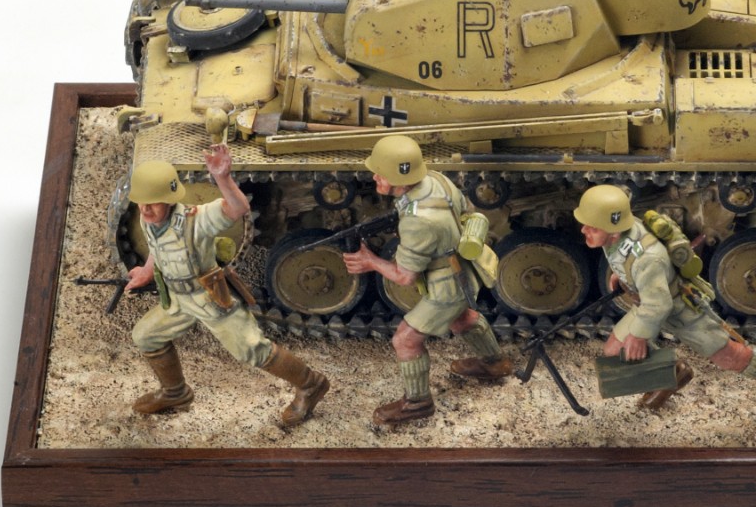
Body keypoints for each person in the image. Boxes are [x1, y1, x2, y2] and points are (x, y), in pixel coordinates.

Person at [124, 145, 329, 427]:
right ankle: (175, 393)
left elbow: (238, 208)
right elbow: (156, 247)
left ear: (170, 200)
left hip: (209, 298)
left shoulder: (196, 219)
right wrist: (147, 271)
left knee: (251, 350)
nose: (146, 209)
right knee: (146, 336)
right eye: (141, 202)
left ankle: (310, 384)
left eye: (153, 202)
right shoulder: (148, 218)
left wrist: (223, 178)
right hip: (178, 299)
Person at [574, 185, 756, 422]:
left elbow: (659, 305)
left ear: (614, 231)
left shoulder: (647, 258)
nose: (583, 230)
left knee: (729, 356)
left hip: (680, 308)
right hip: (650, 302)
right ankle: (672, 374)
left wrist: (638, 336)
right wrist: (624, 275)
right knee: (615, 350)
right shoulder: (618, 236)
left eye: (592, 227)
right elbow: (628, 263)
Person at [342, 135, 511, 426]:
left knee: (405, 340)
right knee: (463, 318)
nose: (375, 177)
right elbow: (464, 211)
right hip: (463, 268)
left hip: (445, 285)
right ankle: (495, 363)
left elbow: (405, 276)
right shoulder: (436, 180)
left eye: (380, 173)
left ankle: (417, 403)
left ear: (398, 179)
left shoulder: (418, 221)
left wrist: (370, 261)